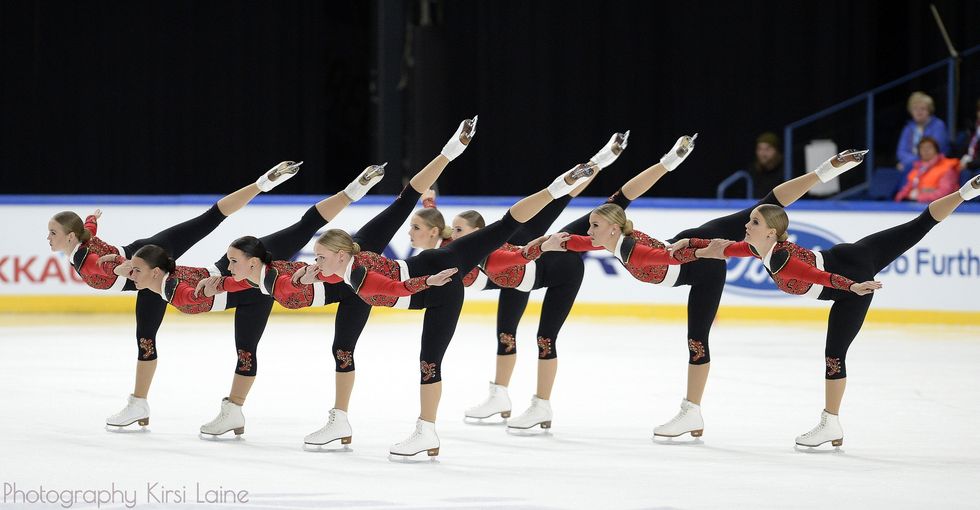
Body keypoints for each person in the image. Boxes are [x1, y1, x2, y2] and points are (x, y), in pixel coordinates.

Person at [539, 149, 869, 441]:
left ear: (610, 228)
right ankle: (693, 413)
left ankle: (827, 169)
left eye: (592, 227)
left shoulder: (634, 251)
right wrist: (549, 243)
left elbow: (670, 257)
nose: (588, 231)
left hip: (702, 266)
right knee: (756, 211)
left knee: (697, 339)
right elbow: (585, 233)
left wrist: (705, 249)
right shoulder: (606, 237)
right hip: (687, 247)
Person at [302, 161, 598, 458]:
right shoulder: (347, 262)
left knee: (429, 361)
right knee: (506, 226)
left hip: (439, 284)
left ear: (341, 256)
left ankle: (426, 431)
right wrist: (305, 275)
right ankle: (422, 430)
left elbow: (394, 289)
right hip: (436, 268)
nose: (316, 262)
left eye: (320, 257)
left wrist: (541, 248)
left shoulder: (361, 274)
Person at [683, 174, 980, 448]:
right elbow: (720, 248)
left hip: (852, 282)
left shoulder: (781, 258)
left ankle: (830, 423)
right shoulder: (757, 249)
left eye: (754, 222)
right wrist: (688, 244)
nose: (746, 225)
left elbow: (818, 277)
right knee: (919, 224)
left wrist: (852, 287)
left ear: (771, 233)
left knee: (834, 356)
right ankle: (968, 190)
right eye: (749, 220)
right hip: (851, 257)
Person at [96, 164, 385, 434]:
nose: (130, 275)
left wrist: (260, 185)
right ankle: (218, 409)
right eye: (130, 269)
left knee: (304, 228)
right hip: (247, 295)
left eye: (135, 270)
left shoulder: (179, 281)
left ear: (156, 270)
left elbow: (214, 215)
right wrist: (116, 263)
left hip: (244, 274)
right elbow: (117, 268)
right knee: (244, 353)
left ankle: (351, 192)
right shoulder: (149, 286)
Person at [460, 134, 701, 432]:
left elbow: (564, 195)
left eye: (461, 230)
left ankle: (541, 405)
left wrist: (610, 159)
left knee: (544, 338)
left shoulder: (517, 232)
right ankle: (499, 395)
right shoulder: (458, 253)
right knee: (505, 335)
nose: (457, 235)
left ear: (480, 229)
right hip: (519, 279)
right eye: (454, 230)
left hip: (562, 269)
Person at [46, 161, 301, 429]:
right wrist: (92, 219)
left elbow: (102, 265)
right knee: (145, 338)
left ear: (70, 236)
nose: (48, 237)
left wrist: (121, 266)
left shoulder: (89, 259)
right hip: (146, 284)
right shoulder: (80, 244)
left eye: (53, 233)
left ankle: (262, 183)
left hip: (148, 256)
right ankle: (138, 404)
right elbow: (90, 231)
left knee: (209, 218)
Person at [896, 91, 950, 173]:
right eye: (915, 109)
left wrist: (909, 163)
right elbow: (901, 152)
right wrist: (911, 163)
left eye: (923, 109)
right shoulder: (908, 128)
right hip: (912, 167)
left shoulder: (938, 125)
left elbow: (932, 153)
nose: (919, 112)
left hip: (934, 167)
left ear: (929, 111)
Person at [894, 137, 960, 202]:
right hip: (916, 205)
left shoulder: (947, 167)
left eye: (929, 147)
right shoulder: (917, 168)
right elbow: (907, 188)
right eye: (922, 148)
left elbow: (945, 193)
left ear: (936, 150)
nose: (925, 150)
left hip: (940, 208)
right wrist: (900, 197)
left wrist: (918, 198)